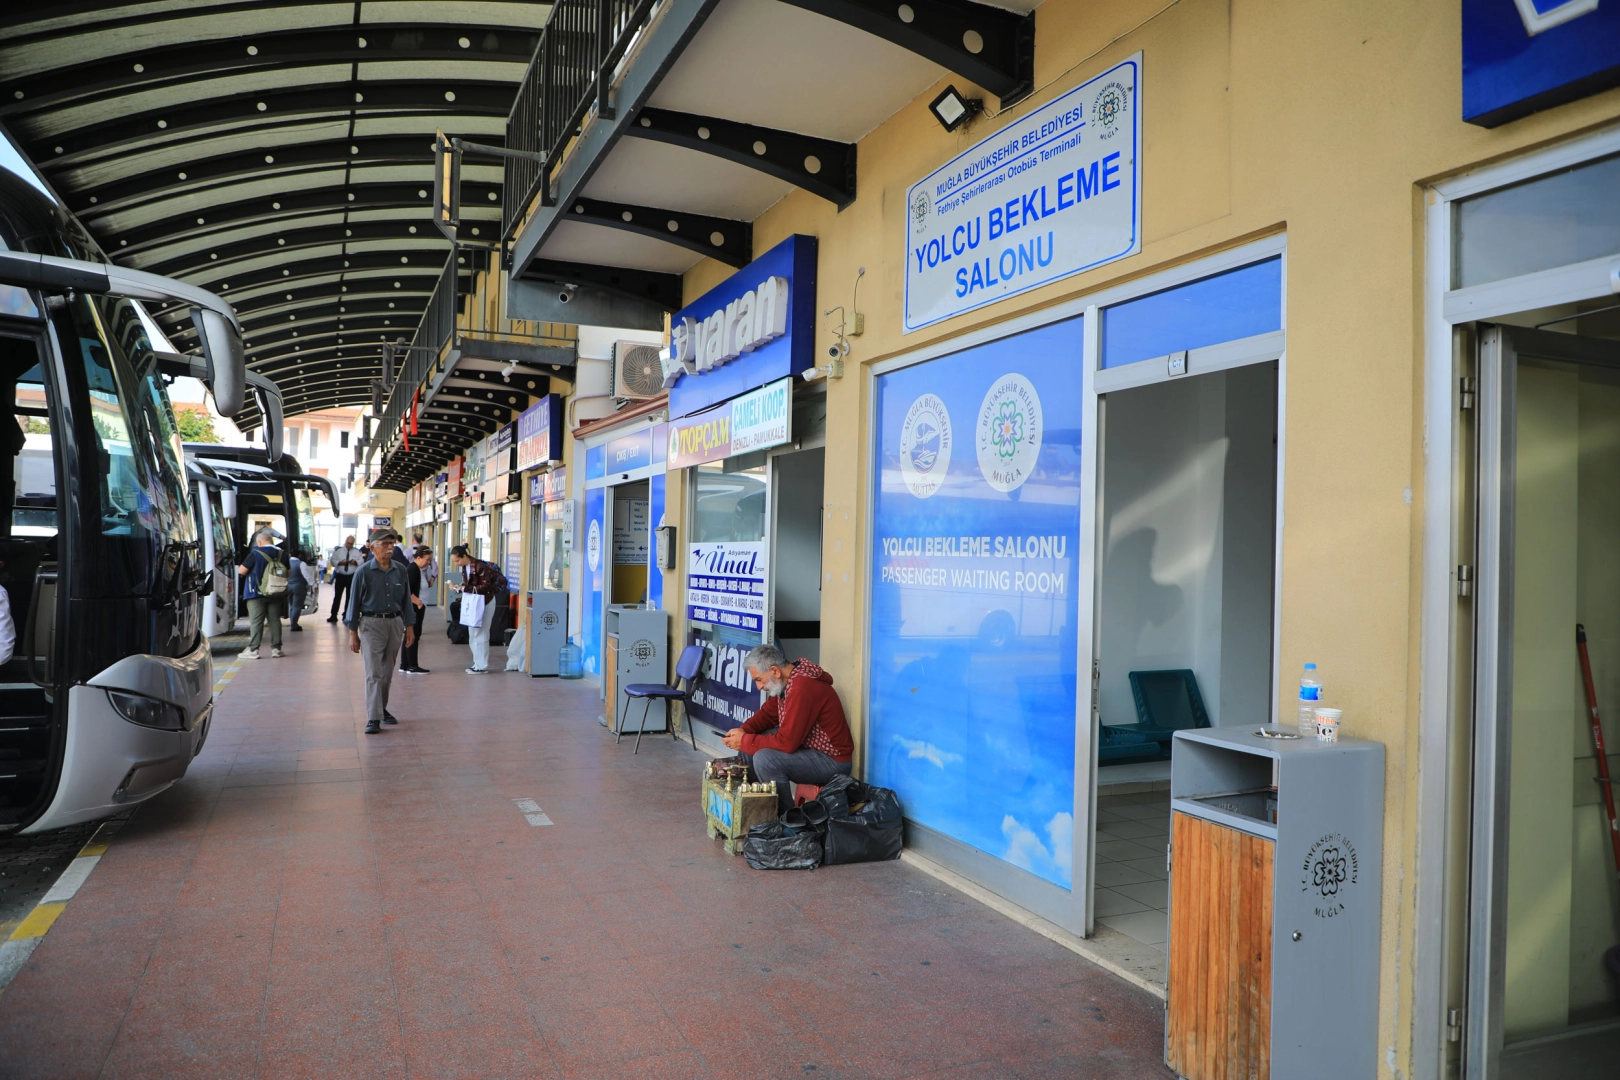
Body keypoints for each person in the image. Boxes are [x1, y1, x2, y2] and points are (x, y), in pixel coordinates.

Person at [721, 644, 854, 812]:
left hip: (832, 761)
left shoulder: (802, 687)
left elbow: (787, 742)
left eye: (759, 680)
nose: (759, 687)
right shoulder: (787, 680)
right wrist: (743, 732)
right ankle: (753, 809)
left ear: (775, 671)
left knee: (765, 759)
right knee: (750, 745)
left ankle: (786, 819)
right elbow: (768, 715)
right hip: (809, 749)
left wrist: (745, 741)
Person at [346, 528, 414, 734]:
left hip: (395, 623)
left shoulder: (400, 570)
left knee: (387, 672)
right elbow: (353, 604)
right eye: (385, 544)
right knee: (373, 672)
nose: (390, 548)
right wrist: (353, 634)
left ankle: (381, 709)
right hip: (371, 625)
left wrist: (409, 627)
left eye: (391, 544)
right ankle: (373, 717)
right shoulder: (363, 572)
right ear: (373, 548)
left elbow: (406, 600)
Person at [450, 543, 503, 674]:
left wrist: (464, 588)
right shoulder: (465, 567)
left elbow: (486, 586)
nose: (456, 563)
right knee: (473, 633)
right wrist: (460, 588)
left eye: (457, 560)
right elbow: (470, 585)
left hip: (485, 602)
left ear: (464, 556)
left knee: (481, 633)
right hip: (475, 602)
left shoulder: (479, 566)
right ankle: (477, 663)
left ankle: (481, 665)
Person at [237, 527, 288, 660]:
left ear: (259, 542)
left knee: (256, 622)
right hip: (276, 592)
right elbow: (288, 573)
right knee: (275, 621)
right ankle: (276, 649)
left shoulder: (255, 553)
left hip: (255, 593)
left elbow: (241, 571)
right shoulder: (282, 554)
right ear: (271, 541)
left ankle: (253, 650)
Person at [399, 545, 430, 675]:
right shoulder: (413, 569)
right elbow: (407, 590)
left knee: (410, 634)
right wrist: (418, 602)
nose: (428, 562)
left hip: (417, 607)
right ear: (418, 557)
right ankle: (412, 665)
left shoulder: (418, 569)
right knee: (413, 635)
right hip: (415, 608)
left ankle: (405, 664)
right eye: (427, 559)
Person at [326, 535, 362, 622]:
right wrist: (340, 562)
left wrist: (355, 562)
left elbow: (361, 561)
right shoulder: (338, 551)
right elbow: (333, 561)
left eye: (351, 544)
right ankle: (333, 615)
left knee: (349, 597)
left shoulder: (357, 552)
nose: (349, 545)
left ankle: (346, 615)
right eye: (348, 543)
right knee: (337, 596)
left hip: (351, 576)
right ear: (345, 542)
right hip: (340, 576)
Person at [286, 553, 310, 631]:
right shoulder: (301, 564)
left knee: (291, 605)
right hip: (299, 587)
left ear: (290, 555)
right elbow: (306, 576)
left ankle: (292, 623)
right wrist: (313, 584)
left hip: (288, 586)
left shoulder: (286, 563)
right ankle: (294, 624)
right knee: (297, 606)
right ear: (299, 555)